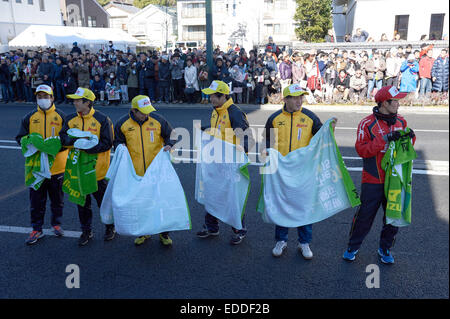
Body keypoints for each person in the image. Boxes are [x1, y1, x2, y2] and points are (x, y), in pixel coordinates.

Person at [343, 86, 416, 264]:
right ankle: (353, 246)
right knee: (364, 217)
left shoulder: (401, 122)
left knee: (392, 217)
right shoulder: (367, 123)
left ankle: (385, 248)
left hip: (395, 181)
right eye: (395, 101)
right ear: (384, 103)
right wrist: (384, 140)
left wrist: (411, 138)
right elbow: (362, 150)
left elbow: (406, 149)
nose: (398, 104)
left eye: (398, 100)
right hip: (373, 179)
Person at [261, 84, 335, 259]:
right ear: (285, 99)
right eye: (294, 97)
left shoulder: (310, 117)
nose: (299, 100)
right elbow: (267, 141)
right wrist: (265, 154)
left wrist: (331, 128)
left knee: (304, 207)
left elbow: (323, 136)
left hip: (304, 171)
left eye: (301, 96)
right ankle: (281, 240)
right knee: (282, 205)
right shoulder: (274, 118)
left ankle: (304, 243)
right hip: (281, 171)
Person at [196, 80, 255, 245]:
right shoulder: (216, 110)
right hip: (216, 161)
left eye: (214, 96)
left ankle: (239, 229)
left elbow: (248, 138)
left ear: (223, 96)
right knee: (212, 192)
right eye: (210, 96)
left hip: (230, 162)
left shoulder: (234, 112)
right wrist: (207, 129)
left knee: (233, 197)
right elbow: (221, 130)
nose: (211, 99)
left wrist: (242, 148)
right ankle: (212, 227)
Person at [114, 95, 176, 247]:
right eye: (142, 112)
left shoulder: (158, 120)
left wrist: (169, 144)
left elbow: (172, 135)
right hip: (135, 173)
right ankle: (143, 232)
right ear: (134, 111)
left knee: (160, 203)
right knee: (140, 204)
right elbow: (117, 142)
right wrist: (119, 147)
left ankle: (164, 233)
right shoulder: (122, 123)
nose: (146, 114)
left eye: (148, 110)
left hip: (157, 172)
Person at [60, 87, 115, 246]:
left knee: (103, 203)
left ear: (87, 102)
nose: (74, 102)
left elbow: (107, 143)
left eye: (78, 100)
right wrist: (74, 142)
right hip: (78, 172)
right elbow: (63, 138)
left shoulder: (102, 119)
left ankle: (110, 227)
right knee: (82, 204)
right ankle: (86, 231)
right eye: (74, 100)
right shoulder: (70, 119)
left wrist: (87, 147)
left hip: (98, 172)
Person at [15, 85, 68, 245]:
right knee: (36, 201)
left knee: (57, 199)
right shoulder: (29, 117)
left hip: (57, 167)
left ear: (52, 98)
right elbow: (20, 138)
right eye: (40, 96)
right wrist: (30, 144)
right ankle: (36, 229)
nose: (43, 99)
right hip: (36, 168)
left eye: (46, 96)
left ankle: (56, 224)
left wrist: (55, 147)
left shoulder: (62, 116)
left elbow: (68, 139)